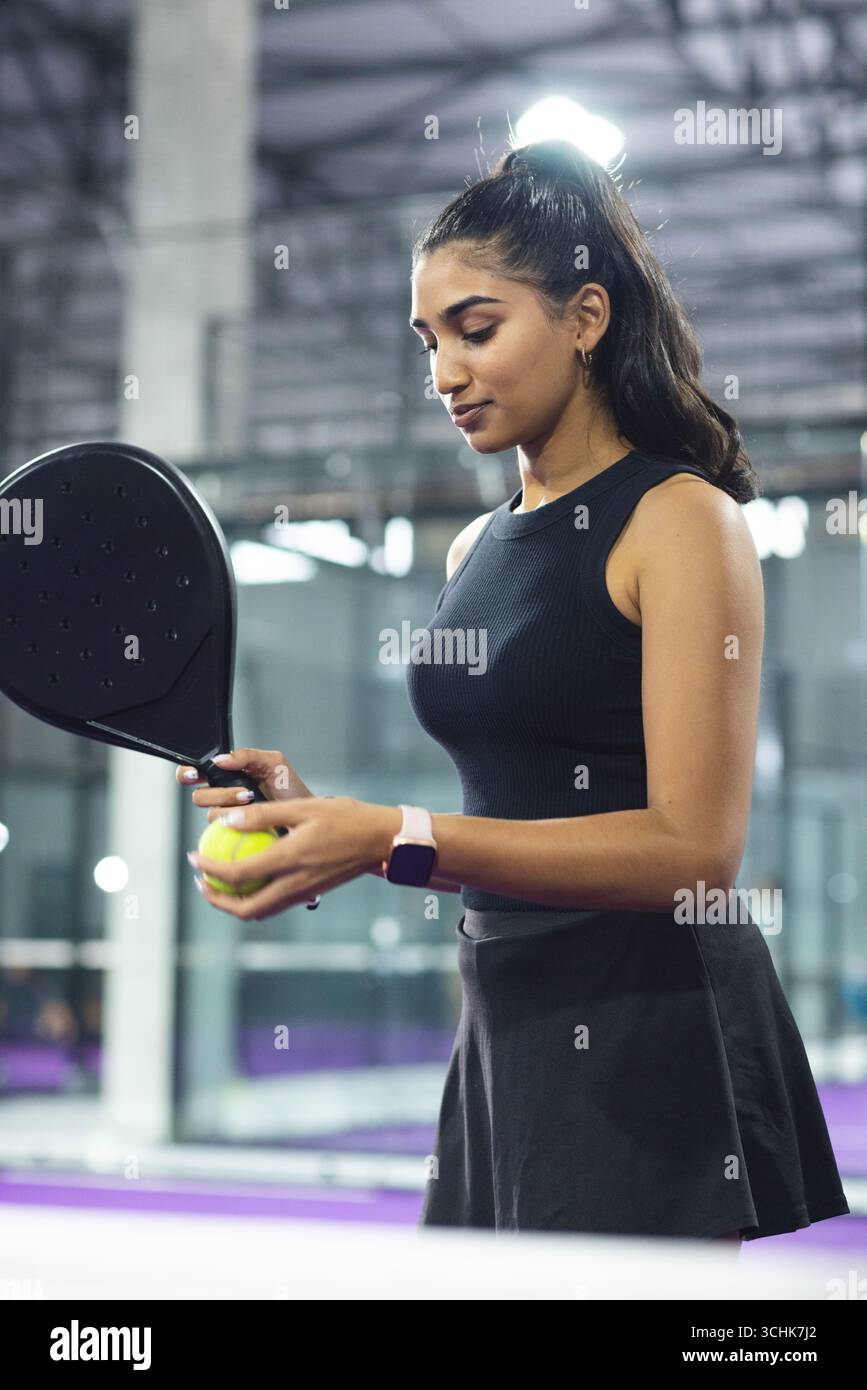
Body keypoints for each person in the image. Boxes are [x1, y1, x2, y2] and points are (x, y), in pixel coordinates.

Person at [182, 139, 850, 1245]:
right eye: (429, 340)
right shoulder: (472, 554)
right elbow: (505, 812)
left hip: (644, 1033)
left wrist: (388, 836)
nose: (444, 371)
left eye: (478, 329)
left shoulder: (683, 521)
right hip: (502, 1018)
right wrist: (326, 818)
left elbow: (696, 851)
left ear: (586, 317)